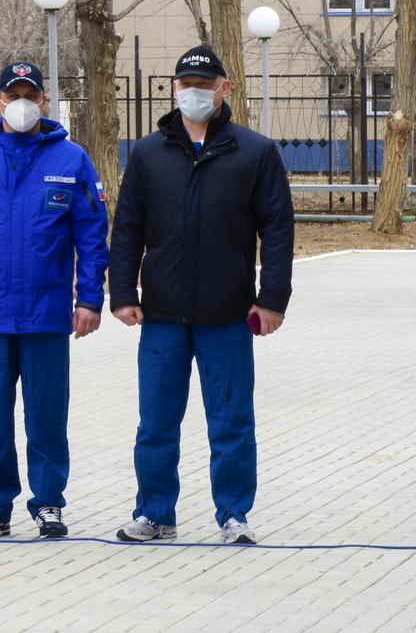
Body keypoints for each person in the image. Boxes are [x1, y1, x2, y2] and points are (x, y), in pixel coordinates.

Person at [110, 45, 293, 546]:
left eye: (204, 85)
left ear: (224, 89)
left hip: (228, 315)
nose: (194, 93)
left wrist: (271, 298)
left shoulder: (254, 152)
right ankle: (155, 514)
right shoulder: (148, 153)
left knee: (231, 421)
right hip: (163, 315)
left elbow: (277, 230)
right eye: (185, 84)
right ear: (174, 89)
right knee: (156, 423)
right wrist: (122, 291)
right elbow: (127, 228)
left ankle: (234, 514)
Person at [0, 61, 109, 540]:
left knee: (47, 414)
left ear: (42, 101)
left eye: (29, 94)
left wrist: (89, 300)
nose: (21, 102)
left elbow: (92, 236)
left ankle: (49, 503)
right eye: (12, 94)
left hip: (47, 314)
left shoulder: (71, 160)